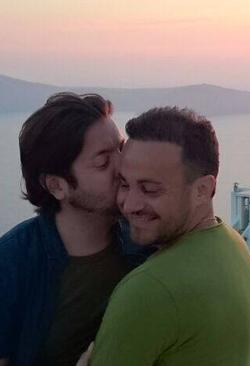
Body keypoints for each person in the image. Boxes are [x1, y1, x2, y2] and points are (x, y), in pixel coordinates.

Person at [89, 107, 250, 365]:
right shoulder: (233, 243)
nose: (130, 204)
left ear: (203, 189)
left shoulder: (149, 289)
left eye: (150, 190)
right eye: (124, 184)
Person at [0, 93, 148, 366]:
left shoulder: (147, 240)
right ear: (57, 186)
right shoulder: (12, 262)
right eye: (103, 162)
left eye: (121, 148)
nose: (123, 166)